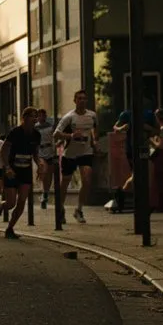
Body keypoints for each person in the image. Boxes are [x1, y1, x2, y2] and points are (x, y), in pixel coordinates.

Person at [0, 107, 45, 239]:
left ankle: (10, 228)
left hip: (26, 170)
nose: (35, 119)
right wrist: (7, 167)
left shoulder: (36, 135)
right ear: (24, 118)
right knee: (11, 203)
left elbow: (35, 153)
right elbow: (4, 150)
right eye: (32, 116)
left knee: (22, 201)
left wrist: (39, 163)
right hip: (12, 170)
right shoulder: (15, 132)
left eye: (36, 116)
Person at [54, 90, 99, 224]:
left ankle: (78, 210)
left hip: (86, 152)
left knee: (87, 179)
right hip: (70, 153)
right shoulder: (69, 117)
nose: (82, 101)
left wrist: (94, 142)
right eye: (79, 98)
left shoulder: (92, 115)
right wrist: (71, 136)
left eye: (84, 98)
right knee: (65, 182)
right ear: (75, 101)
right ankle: (60, 208)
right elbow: (56, 134)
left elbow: (95, 128)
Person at [113, 103, 158, 213]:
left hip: (145, 148)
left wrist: (148, 128)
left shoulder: (149, 114)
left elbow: (157, 130)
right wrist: (122, 127)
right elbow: (115, 128)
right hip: (131, 148)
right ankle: (130, 195)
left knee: (142, 174)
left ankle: (125, 193)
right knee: (138, 173)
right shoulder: (126, 114)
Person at [34, 110, 57, 209]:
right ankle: (42, 190)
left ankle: (45, 193)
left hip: (50, 151)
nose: (41, 117)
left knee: (49, 174)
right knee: (44, 169)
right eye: (39, 115)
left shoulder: (50, 126)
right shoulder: (35, 127)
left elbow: (55, 136)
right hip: (40, 151)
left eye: (43, 115)